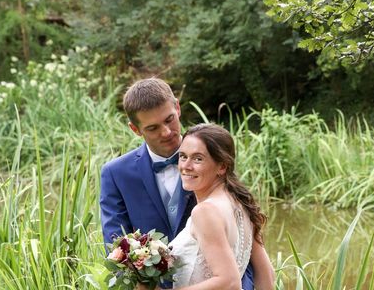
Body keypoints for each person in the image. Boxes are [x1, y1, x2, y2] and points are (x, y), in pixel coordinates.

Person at [99, 78, 259, 289]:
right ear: (135, 129)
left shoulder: (211, 153)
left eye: (169, 120)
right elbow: (116, 245)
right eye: (153, 128)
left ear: (177, 107)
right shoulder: (116, 174)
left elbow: (245, 239)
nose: (166, 132)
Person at [146, 123, 275, 290]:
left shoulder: (205, 211)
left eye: (198, 158)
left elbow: (229, 282)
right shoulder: (239, 202)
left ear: (222, 166)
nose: (186, 166)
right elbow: (267, 276)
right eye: (183, 156)